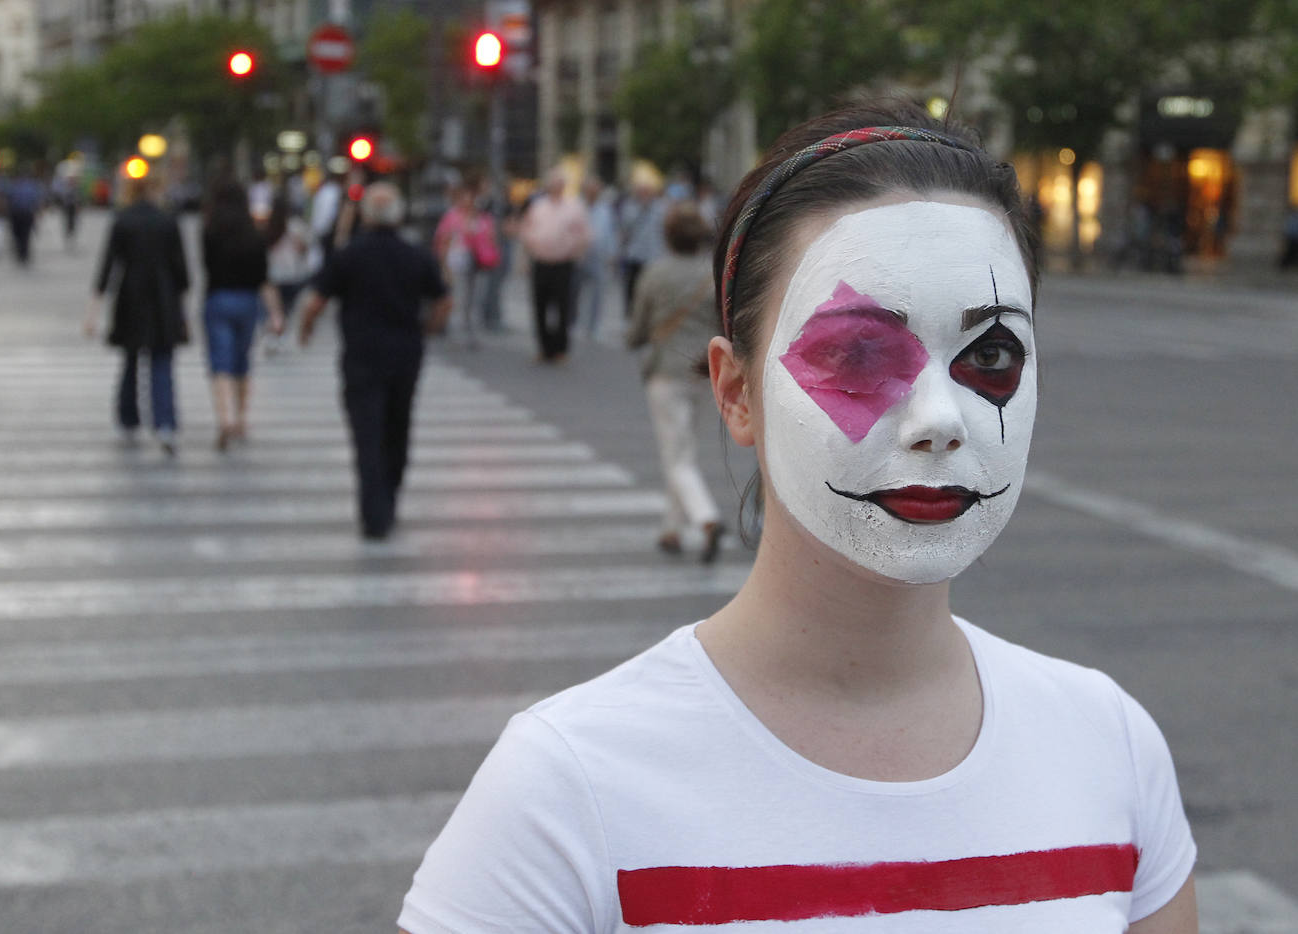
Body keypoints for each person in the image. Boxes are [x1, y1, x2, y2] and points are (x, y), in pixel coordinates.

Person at [398, 101, 1198, 932]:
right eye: (856, 355)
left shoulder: (1110, 750)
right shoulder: (566, 795)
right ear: (736, 392)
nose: (941, 417)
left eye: (991, 355)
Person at [297, 182, 450, 540]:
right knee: (398, 428)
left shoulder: (350, 254)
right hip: (405, 354)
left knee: (367, 434)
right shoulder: (416, 254)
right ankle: (390, 498)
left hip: (362, 355)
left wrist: (305, 330)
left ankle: (374, 513)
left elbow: (316, 301)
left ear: (365, 215)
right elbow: (444, 300)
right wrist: (428, 329)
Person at [626, 201, 724, 562]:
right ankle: (671, 529)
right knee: (683, 450)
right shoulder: (713, 275)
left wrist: (634, 338)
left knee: (677, 456)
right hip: (704, 371)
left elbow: (638, 328)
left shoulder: (655, 273)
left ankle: (706, 519)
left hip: (666, 372)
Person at [85, 175, 190, 456]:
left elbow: (107, 266)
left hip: (130, 298)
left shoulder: (123, 220)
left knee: (130, 361)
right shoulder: (168, 222)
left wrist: (93, 312)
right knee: (162, 363)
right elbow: (181, 271)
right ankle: (165, 422)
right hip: (163, 298)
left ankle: (128, 419)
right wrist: (184, 309)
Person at [200, 179, 284, 450]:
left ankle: (224, 418)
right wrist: (276, 313)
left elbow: (206, 268)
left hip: (218, 299)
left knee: (220, 364)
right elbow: (264, 278)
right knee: (242, 362)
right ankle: (242, 418)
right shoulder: (255, 234)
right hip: (248, 302)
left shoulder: (210, 232)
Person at [518, 167, 590, 362]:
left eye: (559, 183)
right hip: (541, 261)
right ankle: (544, 347)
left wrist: (576, 253)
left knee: (563, 306)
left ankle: (560, 348)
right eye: (553, 183)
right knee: (540, 305)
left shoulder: (574, 207)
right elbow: (525, 230)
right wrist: (525, 257)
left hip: (563, 262)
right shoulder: (538, 206)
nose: (556, 187)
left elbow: (583, 234)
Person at [433, 181, 499, 348]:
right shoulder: (452, 217)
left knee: (475, 297)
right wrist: (444, 264)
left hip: (478, 263)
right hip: (459, 261)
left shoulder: (483, 218)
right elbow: (443, 240)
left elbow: (491, 239)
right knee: (459, 297)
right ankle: (457, 332)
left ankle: (471, 332)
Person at [263, 193, 315, 354]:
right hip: (293, 276)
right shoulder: (296, 226)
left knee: (274, 309)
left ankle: (274, 331)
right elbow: (304, 249)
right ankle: (279, 333)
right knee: (287, 309)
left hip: (272, 275)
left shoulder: (268, 226)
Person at [579, 175, 619, 341]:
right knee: (576, 291)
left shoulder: (605, 209)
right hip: (579, 255)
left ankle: (593, 326)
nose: (593, 193)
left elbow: (610, 232)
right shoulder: (577, 206)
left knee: (598, 293)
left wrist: (612, 253)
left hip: (599, 256)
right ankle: (575, 323)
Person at [618, 177, 667, 313]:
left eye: (647, 192)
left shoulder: (660, 207)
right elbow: (625, 227)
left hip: (654, 256)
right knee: (632, 288)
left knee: (652, 289)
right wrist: (642, 209)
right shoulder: (629, 207)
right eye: (642, 192)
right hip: (635, 255)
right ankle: (631, 314)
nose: (644, 194)